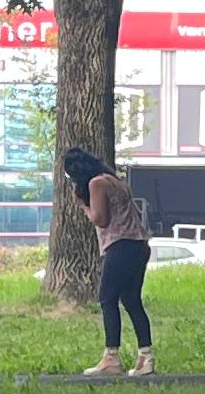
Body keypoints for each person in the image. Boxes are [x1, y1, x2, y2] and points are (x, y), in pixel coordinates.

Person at [62, 148, 155, 380]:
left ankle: (111, 357)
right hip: (139, 244)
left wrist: (83, 206)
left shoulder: (96, 184)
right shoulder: (115, 181)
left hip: (119, 245)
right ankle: (146, 356)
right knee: (132, 301)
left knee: (106, 298)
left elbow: (101, 219)